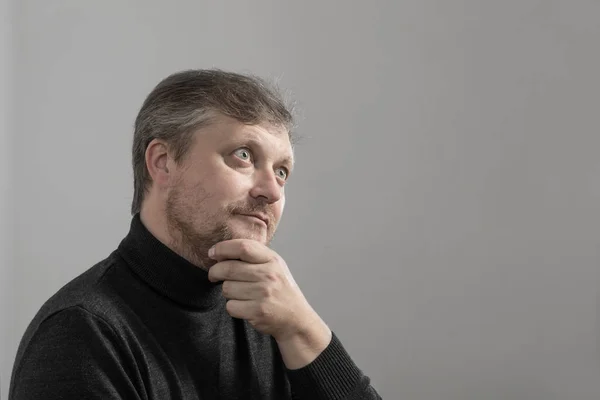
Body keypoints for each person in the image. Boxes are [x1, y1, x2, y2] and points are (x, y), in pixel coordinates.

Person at [9, 69, 382, 399]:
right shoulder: (82, 334)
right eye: (244, 155)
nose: (272, 191)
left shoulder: (276, 318)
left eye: (282, 171)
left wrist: (304, 329)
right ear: (163, 163)